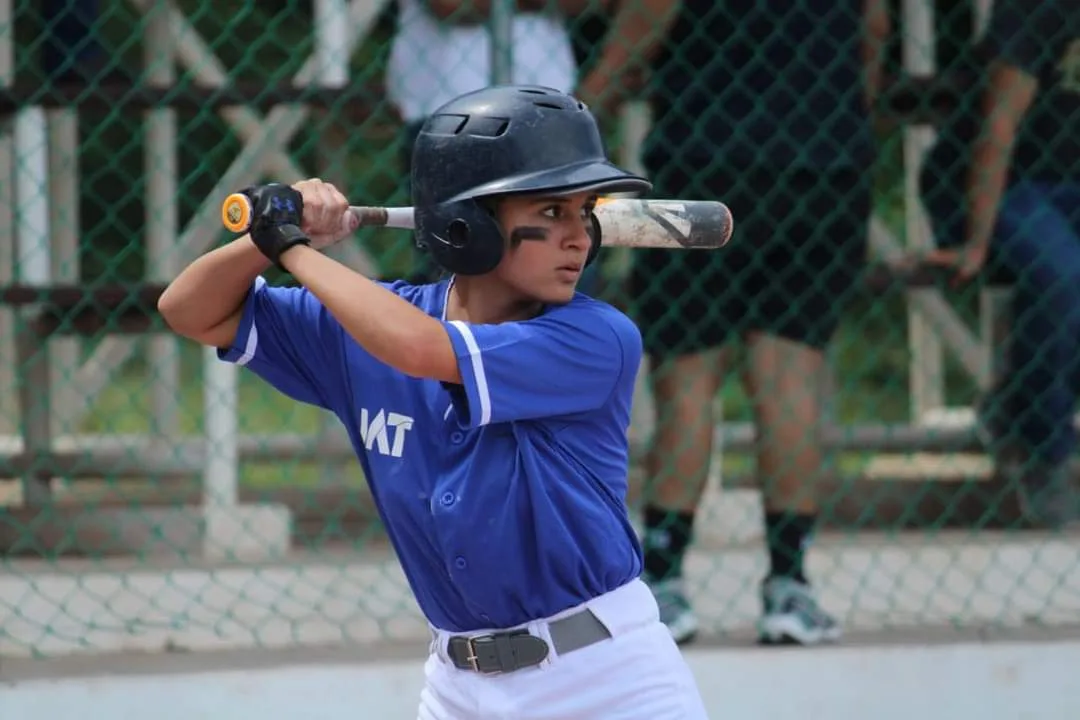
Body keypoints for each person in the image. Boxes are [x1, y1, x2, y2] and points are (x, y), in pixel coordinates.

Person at [157, 85, 709, 720]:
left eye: (585, 211)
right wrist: (264, 239)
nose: (580, 236)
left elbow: (422, 349)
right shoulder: (360, 330)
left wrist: (291, 246)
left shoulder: (596, 338)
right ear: (465, 224)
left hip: (603, 680)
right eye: (552, 211)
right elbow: (188, 309)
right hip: (458, 686)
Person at [579, 0, 891, 646]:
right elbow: (875, 31)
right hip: (825, 159)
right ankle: (790, 583)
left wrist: (581, 115)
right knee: (790, 375)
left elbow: (647, 17)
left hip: (710, 154)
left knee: (689, 376)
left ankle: (664, 582)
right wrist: (841, 114)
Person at [920, 0, 1080, 528]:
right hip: (993, 184)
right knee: (1062, 276)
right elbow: (998, 128)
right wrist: (976, 243)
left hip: (1067, 187)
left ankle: (1017, 401)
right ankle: (1042, 448)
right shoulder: (1039, 11)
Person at [386, 0, 604, 285]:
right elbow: (450, 5)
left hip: (553, 108)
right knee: (461, 269)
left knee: (566, 266)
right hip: (449, 114)